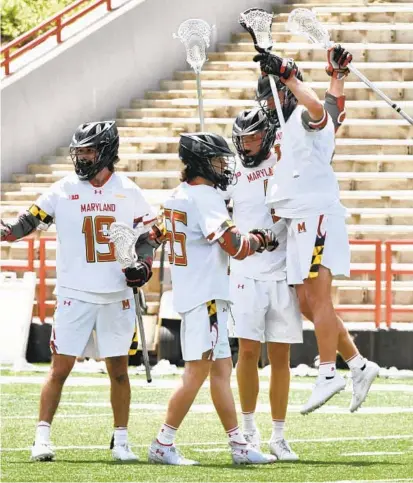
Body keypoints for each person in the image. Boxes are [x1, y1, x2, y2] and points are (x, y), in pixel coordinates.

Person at [1, 121, 156, 462]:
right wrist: (7, 231)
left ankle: (122, 440)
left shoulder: (128, 191)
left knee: (118, 371)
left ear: (105, 152)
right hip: (75, 293)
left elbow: (149, 237)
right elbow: (27, 221)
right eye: (79, 151)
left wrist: (142, 266)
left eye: (88, 150)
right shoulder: (63, 189)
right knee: (59, 369)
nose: (81, 157)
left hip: (116, 294)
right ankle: (41, 438)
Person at [253, 45, 379, 415]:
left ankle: (328, 373)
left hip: (316, 214)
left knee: (320, 299)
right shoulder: (297, 122)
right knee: (306, 302)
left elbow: (319, 111)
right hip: (297, 218)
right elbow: (334, 106)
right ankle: (357, 364)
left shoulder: (304, 117)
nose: (268, 106)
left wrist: (289, 75)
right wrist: (337, 76)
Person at [148, 132, 278, 466]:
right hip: (204, 296)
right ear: (203, 162)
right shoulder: (204, 197)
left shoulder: (179, 194)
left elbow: (156, 234)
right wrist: (262, 238)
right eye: (219, 161)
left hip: (199, 295)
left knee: (221, 371)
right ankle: (163, 442)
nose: (224, 167)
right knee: (196, 374)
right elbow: (235, 245)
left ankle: (239, 445)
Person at [223, 107, 301, 461]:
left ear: (267, 136)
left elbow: (294, 210)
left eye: (253, 137)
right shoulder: (232, 173)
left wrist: (272, 235)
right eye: (241, 139)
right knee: (249, 351)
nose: (247, 145)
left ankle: (279, 435)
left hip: (282, 270)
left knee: (281, 355)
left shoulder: (283, 164)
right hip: (244, 273)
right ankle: (250, 428)